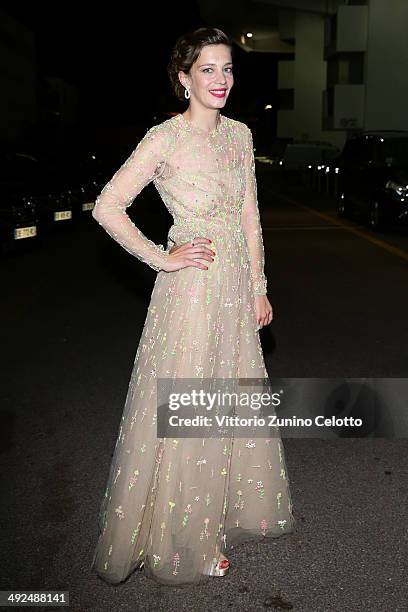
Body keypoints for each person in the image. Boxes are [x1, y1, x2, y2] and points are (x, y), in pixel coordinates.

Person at [90, 26, 296, 587]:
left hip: (233, 287)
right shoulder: (163, 139)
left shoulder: (241, 136)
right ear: (184, 79)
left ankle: (216, 515)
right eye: (207, 69)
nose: (221, 80)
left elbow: (251, 218)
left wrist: (259, 286)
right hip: (193, 289)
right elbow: (107, 208)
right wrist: (162, 257)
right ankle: (185, 541)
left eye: (227, 69)